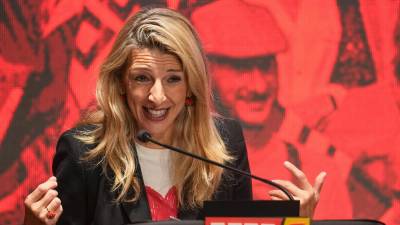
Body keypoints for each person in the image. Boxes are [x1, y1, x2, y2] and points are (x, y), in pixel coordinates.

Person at [23, 7, 326, 225]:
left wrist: (297, 222)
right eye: (142, 78)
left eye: (173, 79)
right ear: (121, 84)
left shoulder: (225, 143)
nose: (158, 96)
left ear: (191, 85)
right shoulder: (84, 154)